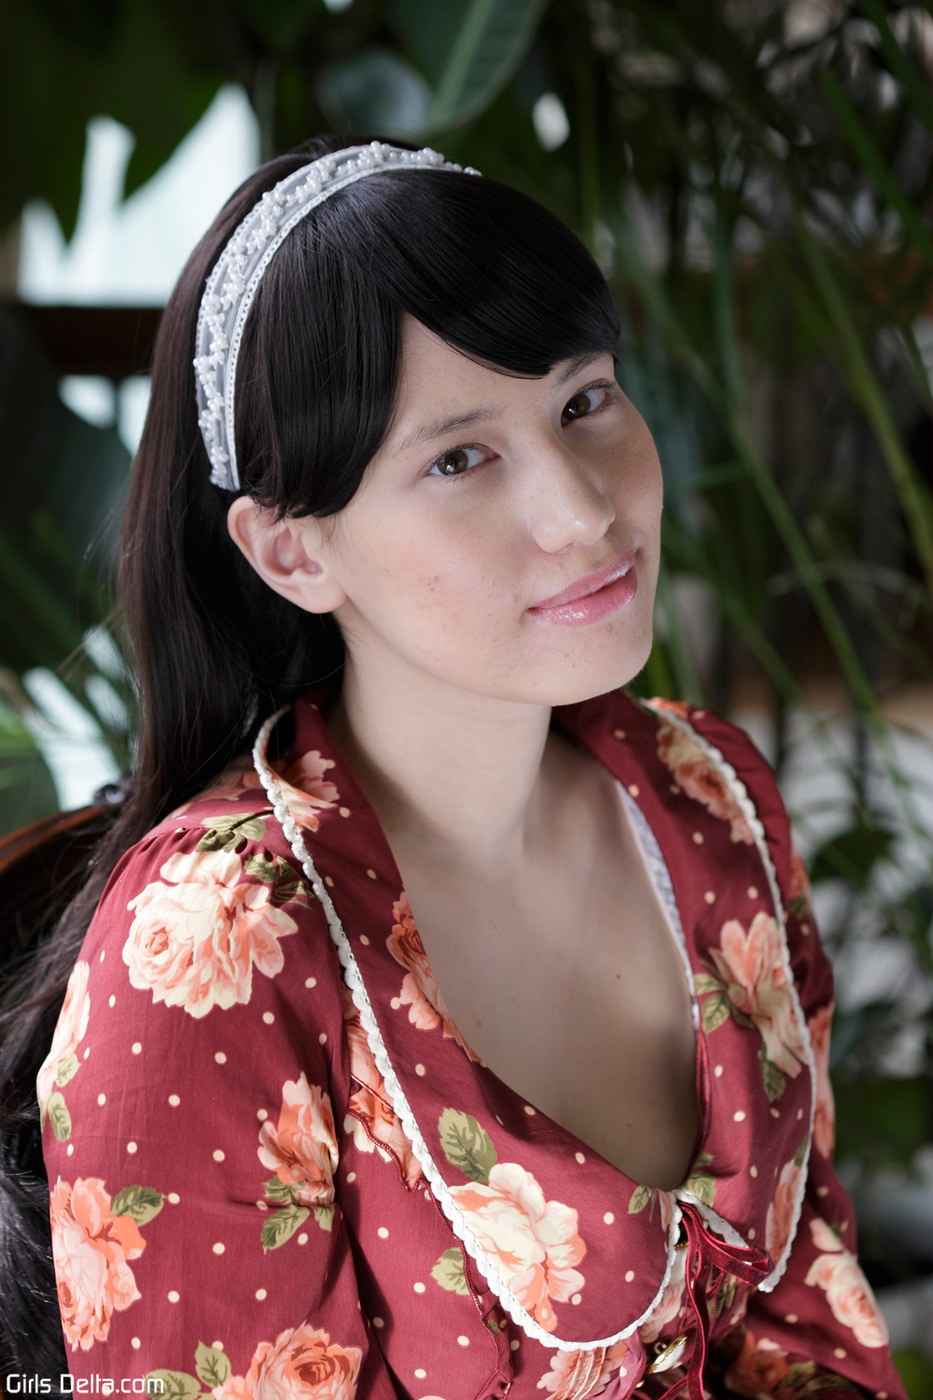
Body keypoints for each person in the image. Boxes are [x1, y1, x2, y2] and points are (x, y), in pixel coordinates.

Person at [0, 135, 905, 1400]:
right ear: (293, 552)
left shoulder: (710, 796)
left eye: (584, 401)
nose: (585, 511)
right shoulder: (213, 958)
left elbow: (807, 1322)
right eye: (460, 458)